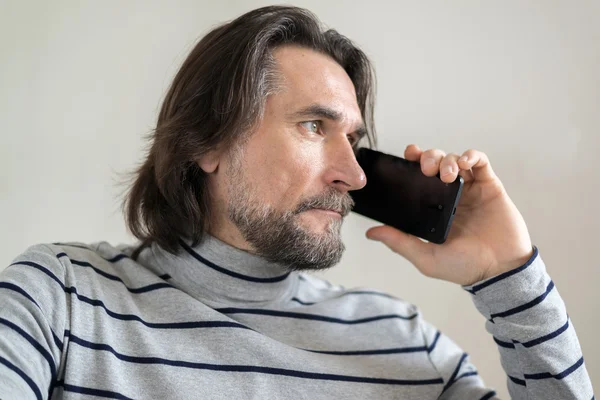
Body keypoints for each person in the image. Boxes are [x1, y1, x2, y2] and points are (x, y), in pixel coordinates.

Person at [0, 5, 593, 400]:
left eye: (354, 140)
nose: (354, 175)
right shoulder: (63, 300)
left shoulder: (404, 343)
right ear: (207, 141)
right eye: (314, 126)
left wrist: (508, 275)